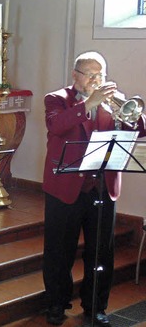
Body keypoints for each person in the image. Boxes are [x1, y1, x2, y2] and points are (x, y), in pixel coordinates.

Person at [42, 51, 146, 326]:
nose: (96, 79)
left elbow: (140, 132)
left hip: (103, 187)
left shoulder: (112, 103)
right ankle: (55, 304)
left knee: (101, 253)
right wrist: (88, 103)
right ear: (75, 75)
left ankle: (96, 306)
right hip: (65, 186)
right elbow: (56, 126)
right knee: (59, 251)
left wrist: (131, 117)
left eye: (100, 74)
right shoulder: (56, 99)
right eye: (90, 73)